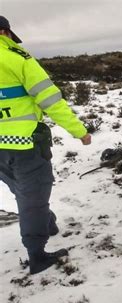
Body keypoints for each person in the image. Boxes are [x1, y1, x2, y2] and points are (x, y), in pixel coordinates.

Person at [0, 16, 92, 274]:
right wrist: (80, 132)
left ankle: (47, 222)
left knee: (24, 191)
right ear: (5, 32)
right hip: (25, 145)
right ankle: (37, 255)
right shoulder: (17, 59)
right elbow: (51, 101)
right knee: (33, 197)